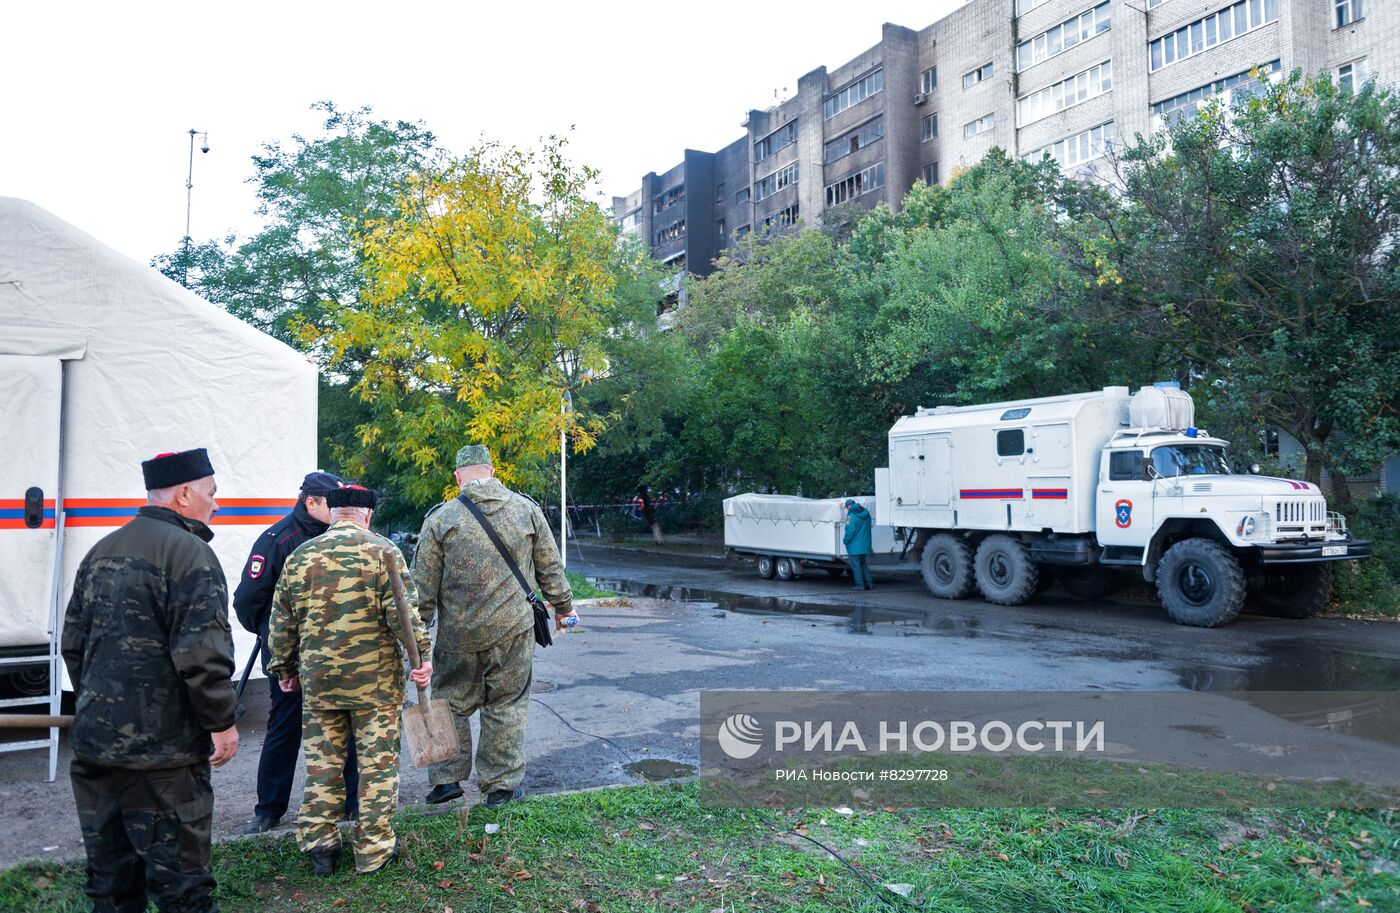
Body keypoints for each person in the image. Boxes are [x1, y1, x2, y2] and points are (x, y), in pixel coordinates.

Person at [62, 448, 240, 913]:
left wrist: (103, 711)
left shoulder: (101, 551)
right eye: (211, 494)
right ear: (184, 494)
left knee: (111, 885)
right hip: (164, 761)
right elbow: (201, 656)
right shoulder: (191, 555)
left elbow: (74, 646)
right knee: (183, 888)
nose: (215, 505)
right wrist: (222, 722)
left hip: (96, 750)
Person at [268, 485, 432, 876]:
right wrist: (421, 660)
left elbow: (281, 623)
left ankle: (321, 846)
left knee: (323, 765)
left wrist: (285, 670)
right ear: (367, 514)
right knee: (376, 768)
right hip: (375, 684)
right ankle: (373, 851)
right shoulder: (384, 552)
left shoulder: (300, 556)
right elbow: (404, 618)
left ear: (334, 512)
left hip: (320, 684)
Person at [413, 444, 576, 808]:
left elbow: (421, 590)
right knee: (506, 704)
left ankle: (445, 780)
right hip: (513, 631)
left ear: (458, 477)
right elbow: (550, 568)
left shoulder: (441, 519)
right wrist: (564, 608)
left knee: (449, 703)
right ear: (491, 470)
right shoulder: (526, 510)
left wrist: (418, 644)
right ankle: (500, 786)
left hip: (458, 636)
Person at [233, 470, 360, 835]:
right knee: (285, 729)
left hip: (339, 654)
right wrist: (272, 635)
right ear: (311, 503)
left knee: (346, 725)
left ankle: (351, 803)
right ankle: (269, 809)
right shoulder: (279, 539)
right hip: (292, 657)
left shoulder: (344, 537)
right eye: (331, 504)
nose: (339, 510)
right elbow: (248, 600)